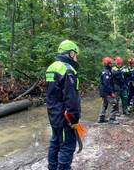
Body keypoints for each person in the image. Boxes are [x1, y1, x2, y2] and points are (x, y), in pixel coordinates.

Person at [46, 40, 81, 170]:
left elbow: (52, 95)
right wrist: (74, 119)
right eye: (76, 54)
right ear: (71, 53)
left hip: (53, 114)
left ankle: (52, 167)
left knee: (55, 142)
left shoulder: (51, 67)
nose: (76, 57)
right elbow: (71, 99)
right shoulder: (67, 70)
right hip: (65, 117)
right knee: (67, 146)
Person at [98, 56, 119, 124]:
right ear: (108, 64)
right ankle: (112, 119)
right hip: (106, 92)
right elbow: (107, 84)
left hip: (103, 91)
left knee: (105, 103)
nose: (112, 64)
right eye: (111, 63)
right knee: (115, 103)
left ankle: (101, 118)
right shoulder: (106, 72)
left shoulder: (108, 71)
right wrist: (111, 92)